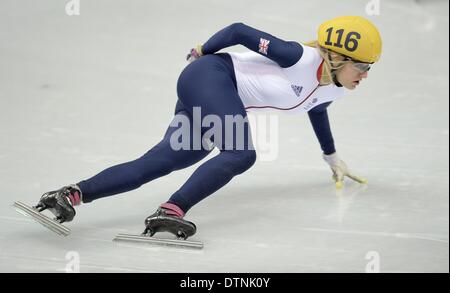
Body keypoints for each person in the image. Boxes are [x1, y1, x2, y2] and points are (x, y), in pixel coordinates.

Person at [34, 16, 382, 239]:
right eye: (362, 66)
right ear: (335, 58)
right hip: (210, 75)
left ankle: (69, 195)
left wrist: (331, 156)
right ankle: (172, 210)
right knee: (240, 154)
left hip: (209, 91)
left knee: (167, 159)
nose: (366, 75)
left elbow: (317, 111)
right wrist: (202, 50)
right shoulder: (296, 56)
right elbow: (238, 31)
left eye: (370, 68)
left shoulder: (333, 87)